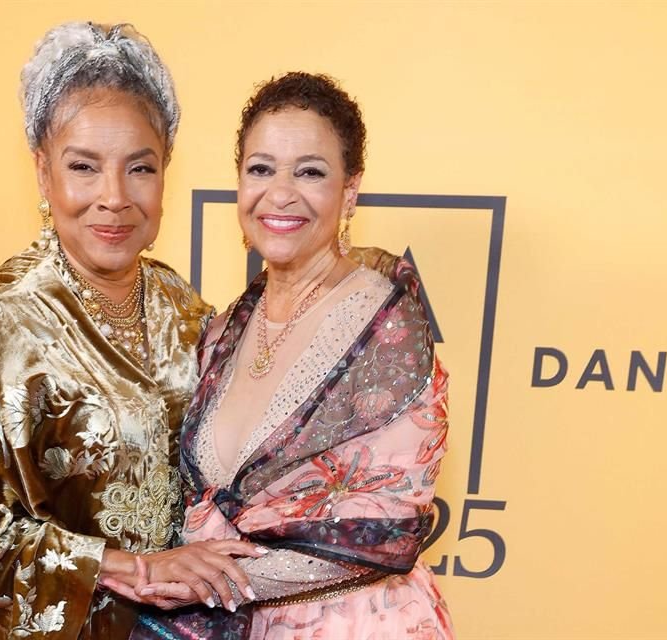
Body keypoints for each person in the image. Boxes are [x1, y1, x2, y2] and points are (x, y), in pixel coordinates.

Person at [0, 22, 260, 640]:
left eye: (140, 168)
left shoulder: (183, 306)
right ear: (41, 171)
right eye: (84, 167)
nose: (114, 198)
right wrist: (126, 567)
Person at [110, 72, 455, 639]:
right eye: (261, 168)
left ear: (350, 190)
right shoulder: (221, 330)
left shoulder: (387, 331)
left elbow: (380, 532)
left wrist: (191, 582)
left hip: (354, 624)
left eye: (311, 172)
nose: (280, 193)